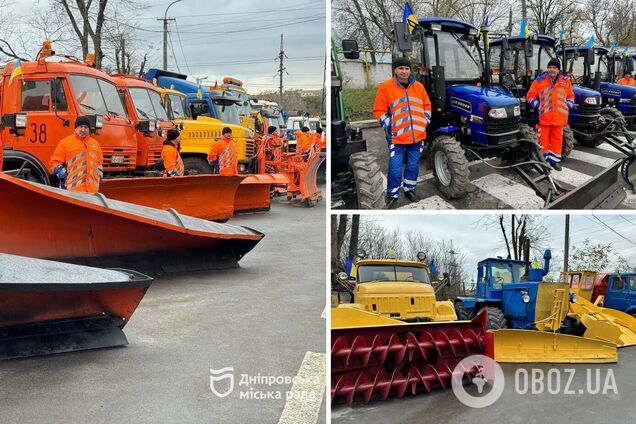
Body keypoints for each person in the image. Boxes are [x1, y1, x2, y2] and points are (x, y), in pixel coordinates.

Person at [372, 57, 432, 209]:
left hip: (417, 135)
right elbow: (379, 110)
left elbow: (427, 105)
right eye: (401, 68)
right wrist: (390, 125)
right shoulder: (385, 87)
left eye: (406, 68)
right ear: (395, 70)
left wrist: (425, 121)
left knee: (413, 165)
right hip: (396, 136)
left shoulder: (418, 87)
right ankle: (392, 194)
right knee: (395, 167)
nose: (404, 71)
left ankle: (409, 189)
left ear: (410, 70)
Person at [527, 58, 574, 171]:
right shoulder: (539, 81)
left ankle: (554, 161)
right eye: (550, 67)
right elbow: (530, 95)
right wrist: (537, 105)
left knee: (557, 141)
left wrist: (568, 105)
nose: (552, 69)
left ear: (558, 70)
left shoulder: (565, 81)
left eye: (554, 68)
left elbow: (571, 96)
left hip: (559, 118)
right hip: (544, 117)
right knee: (543, 141)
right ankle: (543, 163)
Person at [49, 116, 103, 194]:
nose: (83, 130)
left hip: (92, 191)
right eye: (80, 127)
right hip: (72, 191)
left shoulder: (95, 144)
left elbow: (99, 163)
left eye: (85, 127)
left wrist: (99, 176)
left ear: (89, 129)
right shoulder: (65, 143)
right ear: (75, 128)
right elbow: (54, 163)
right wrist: (64, 177)